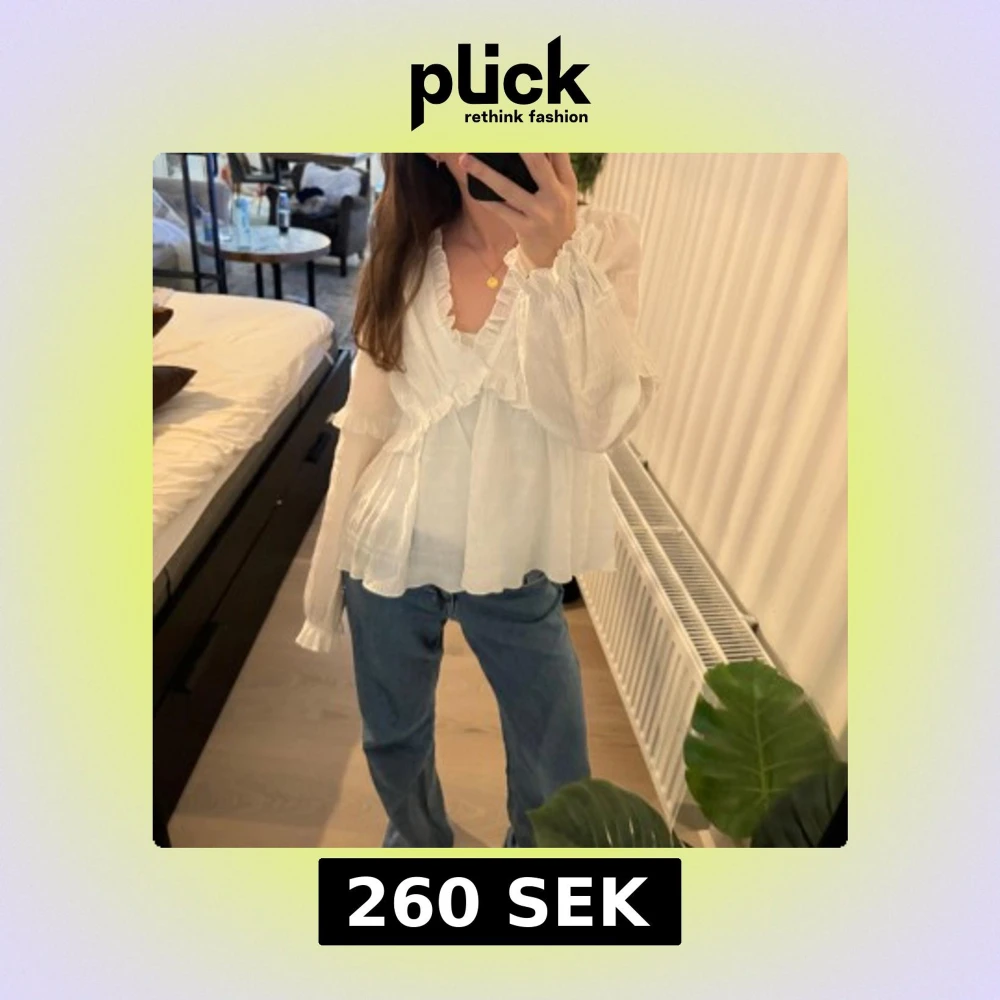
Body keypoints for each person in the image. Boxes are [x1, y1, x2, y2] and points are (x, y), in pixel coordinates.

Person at [296, 153, 657, 847]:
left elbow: (598, 423)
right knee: (392, 738)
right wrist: (328, 572)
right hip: (391, 546)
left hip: (514, 562)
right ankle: (419, 843)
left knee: (555, 761)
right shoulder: (405, 242)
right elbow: (368, 418)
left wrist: (552, 258)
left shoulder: (602, 245)